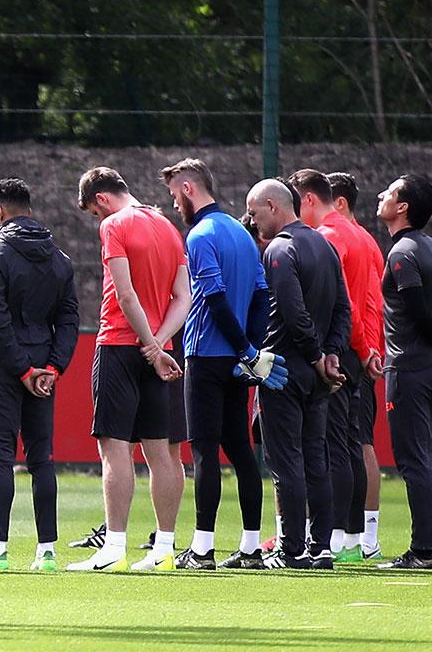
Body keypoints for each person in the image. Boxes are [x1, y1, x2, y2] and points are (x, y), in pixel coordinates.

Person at [69, 165, 189, 571]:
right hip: (161, 352)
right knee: (161, 452)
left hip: (120, 345)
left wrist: (148, 346)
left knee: (114, 446)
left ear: (101, 199)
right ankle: (165, 549)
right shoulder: (168, 226)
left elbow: (124, 293)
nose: (97, 220)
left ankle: (114, 547)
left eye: (94, 212)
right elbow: (183, 297)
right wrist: (159, 346)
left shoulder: (115, 225)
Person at [0, 177, 77, 572]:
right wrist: (53, 367)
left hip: (3, 368)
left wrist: (22, 369)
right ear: (29, 208)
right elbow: (70, 318)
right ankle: (47, 553)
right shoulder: (59, 258)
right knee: (43, 459)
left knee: (0, 458)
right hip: (44, 368)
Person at [162, 156, 273, 569]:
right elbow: (261, 296)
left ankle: (204, 548)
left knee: (205, 451)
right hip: (237, 359)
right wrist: (253, 348)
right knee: (242, 451)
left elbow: (213, 297)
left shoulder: (200, 235)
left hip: (207, 355)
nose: (174, 203)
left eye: (175, 194)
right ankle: (249, 548)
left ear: (189, 189)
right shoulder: (242, 235)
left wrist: (244, 346)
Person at [246, 178, 351, 569]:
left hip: (285, 368)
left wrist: (314, 354)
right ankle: (321, 545)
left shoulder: (279, 249)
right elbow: (344, 308)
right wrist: (332, 354)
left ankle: (291, 549)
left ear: (273, 207)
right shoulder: (324, 245)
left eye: (255, 213)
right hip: (318, 373)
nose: (253, 222)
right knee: (315, 457)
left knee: (286, 460)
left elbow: (291, 312)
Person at [375, 172, 432, 570]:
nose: (381, 196)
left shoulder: (401, 252)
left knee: (412, 460)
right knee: (427, 458)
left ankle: (423, 550)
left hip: (408, 367)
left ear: (402, 207)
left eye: (389, 193)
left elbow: (413, 307)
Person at [324, 170, 387, 557]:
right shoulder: (369, 241)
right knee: (359, 442)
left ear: (340, 202)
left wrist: (363, 350)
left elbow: (346, 304)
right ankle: (365, 537)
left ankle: (354, 538)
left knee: (351, 444)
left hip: (355, 349)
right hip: (367, 347)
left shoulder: (337, 238)